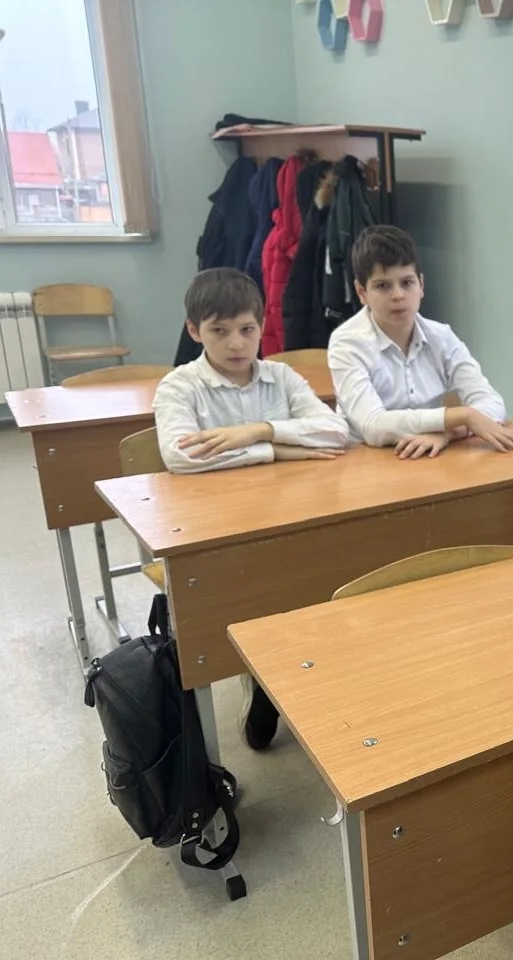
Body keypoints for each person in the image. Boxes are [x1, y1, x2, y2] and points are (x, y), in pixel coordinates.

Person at [153, 266, 350, 750]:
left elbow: (335, 432)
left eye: (247, 329)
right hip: (217, 531)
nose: (236, 343)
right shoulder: (180, 387)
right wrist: (277, 449)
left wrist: (257, 431)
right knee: (254, 592)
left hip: (288, 519)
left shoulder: (280, 377)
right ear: (194, 330)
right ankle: (262, 674)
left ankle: (290, 669)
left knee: (326, 570)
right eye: (219, 331)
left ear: (262, 327)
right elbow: (181, 456)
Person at [327, 224, 513, 459]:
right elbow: (373, 426)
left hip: (430, 457)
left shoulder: (441, 336)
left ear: (421, 285)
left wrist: (448, 433)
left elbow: (492, 403)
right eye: (383, 286)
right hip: (366, 462)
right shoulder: (347, 343)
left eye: (407, 283)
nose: (398, 295)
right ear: (362, 293)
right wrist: (460, 416)